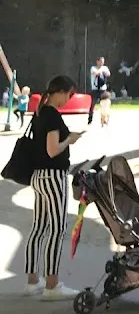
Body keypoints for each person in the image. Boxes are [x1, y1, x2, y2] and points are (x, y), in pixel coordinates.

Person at [25, 74, 83, 300]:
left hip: (38, 176)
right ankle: (52, 284)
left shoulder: (40, 112)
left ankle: (32, 281)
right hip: (53, 176)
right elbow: (52, 150)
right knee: (56, 229)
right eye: (69, 94)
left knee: (38, 228)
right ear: (60, 91)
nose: (69, 99)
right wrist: (71, 139)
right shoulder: (51, 115)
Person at [87, 56, 110, 125]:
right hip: (95, 90)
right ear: (97, 62)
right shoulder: (93, 68)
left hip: (103, 90)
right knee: (92, 105)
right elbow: (96, 73)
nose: (101, 63)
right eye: (100, 62)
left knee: (105, 105)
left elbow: (108, 74)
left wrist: (104, 70)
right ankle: (90, 118)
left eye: (102, 62)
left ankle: (103, 119)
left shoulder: (105, 68)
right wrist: (101, 70)